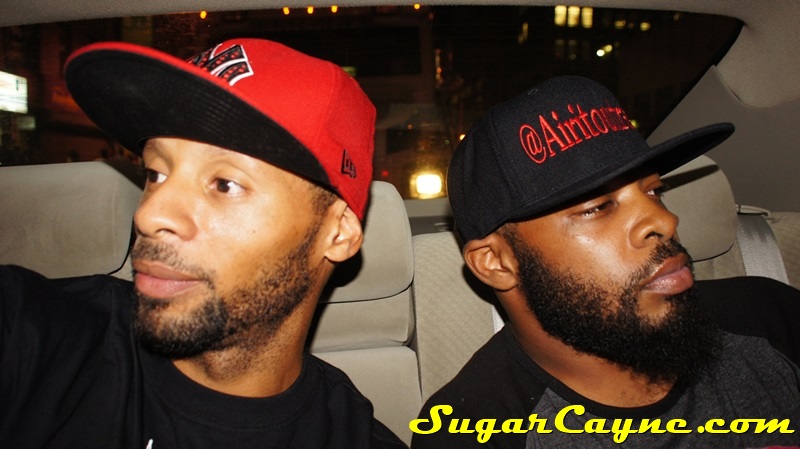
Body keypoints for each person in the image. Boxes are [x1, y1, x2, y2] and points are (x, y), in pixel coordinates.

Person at [0, 38, 406, 448]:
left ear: (338, 233)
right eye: (156, 174)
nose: (150, 214)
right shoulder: (34, 335)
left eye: (225, 184)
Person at [410, 76, 800, 448]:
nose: (665, 221)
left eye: (655, 191)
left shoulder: (769, 315)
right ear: (496, 262)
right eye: (597, 207)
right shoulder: (474, 432)